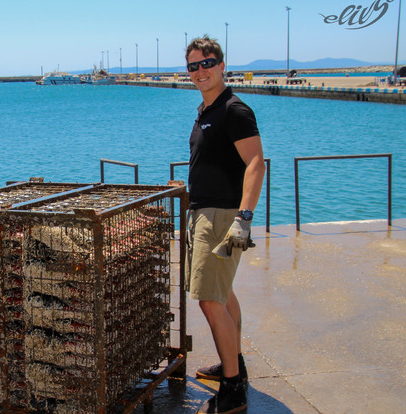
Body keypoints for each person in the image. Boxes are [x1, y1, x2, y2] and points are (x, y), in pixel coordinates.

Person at [184, 36, 265, 414]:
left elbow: (255, 164)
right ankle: (234, 363)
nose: (200, 70)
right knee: (224, 294)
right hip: (204, 212)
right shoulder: (205, 110)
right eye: (193, 66)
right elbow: (213, 164)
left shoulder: (234, 110)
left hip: (223, 218)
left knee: (209, 299)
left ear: (221, 65)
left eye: (207, 63)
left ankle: (233, 389)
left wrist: (243, 220)